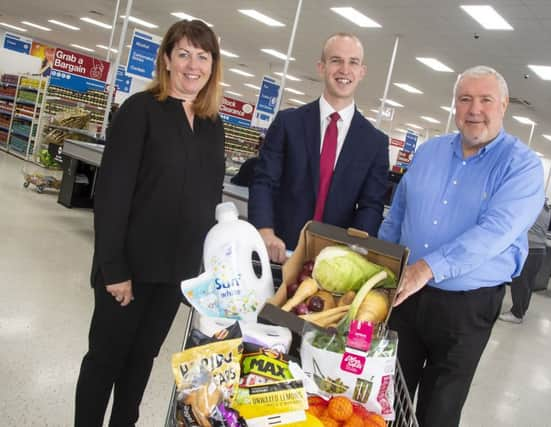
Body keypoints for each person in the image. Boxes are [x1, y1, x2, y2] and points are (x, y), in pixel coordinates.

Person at [74, 20, 225, 427]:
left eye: (203, 56)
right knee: (105, 360)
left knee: (142, 362)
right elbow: (112, 195)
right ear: (166, 59)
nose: (193, 65)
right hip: (128, 270)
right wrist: (114, 268)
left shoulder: (213, 126)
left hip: (174, 275)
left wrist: (203, 270)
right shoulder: (140, 110)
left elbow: (208, 199)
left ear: (213, 66)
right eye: (184, 54)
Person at [379, 65, 544, 427]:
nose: (474, 109)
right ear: (454, 105)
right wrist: (382, 264)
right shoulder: (429, 152)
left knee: (440, 408)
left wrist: (428, 268)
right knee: (387, 395)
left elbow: (496, 231)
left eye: (485, 100)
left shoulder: (522, 167)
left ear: (503, 106)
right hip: (405, 294)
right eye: (465, 99)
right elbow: (398, 214)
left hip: (467, 307)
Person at [248, 32, 389, 263]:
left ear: (362, 72)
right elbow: (264, 181)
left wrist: (354, 252)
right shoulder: (288, 123)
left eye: (353, 62)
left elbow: (370, 206)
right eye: (336, 60)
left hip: (334, 262)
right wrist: (265, 231)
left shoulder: (375, 143)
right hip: (277, 251)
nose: (344, 69)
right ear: (321, 67)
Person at [500, 200, 551, 323]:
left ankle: (516, 314)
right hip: (540, 250)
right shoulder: (546, 209)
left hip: (530, 248)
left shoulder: (533, 205)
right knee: (528, 283)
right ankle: (521, 311)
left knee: (520, 282)